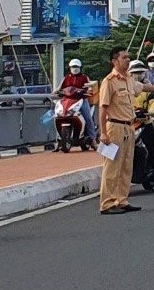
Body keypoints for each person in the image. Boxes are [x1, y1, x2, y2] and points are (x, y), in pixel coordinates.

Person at [94, 46, 143, 215]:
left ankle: (122, 200)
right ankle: (107, 203)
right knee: (112, 167)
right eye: (124, 57)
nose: (128, 60)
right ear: (114, 61)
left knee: (126, 166)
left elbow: (141, 88)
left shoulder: (128, 79)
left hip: (129, 127)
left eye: (128, 57)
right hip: (114, 127)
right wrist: (103, 133)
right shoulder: (109, 81)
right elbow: (103, 108)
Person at [55, 58, 96, 147]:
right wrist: (56, 91)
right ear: (70, 67)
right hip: (67, 101)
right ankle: (58, 140)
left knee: (88, 118)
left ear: (80, 67)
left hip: (81, 100)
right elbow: (59, 88)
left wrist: (88, 91)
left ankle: (93, 140)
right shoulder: (66, 78)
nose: (75, 68)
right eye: (73, 66)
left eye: (77, 66)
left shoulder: (84, 77)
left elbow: (89, 88)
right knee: (57, 116)